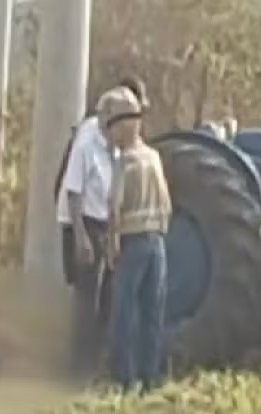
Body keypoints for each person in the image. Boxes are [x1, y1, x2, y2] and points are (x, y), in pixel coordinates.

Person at [55, 76, 150, 379]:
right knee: (87, 298)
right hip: (82, 222)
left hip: (104, 223)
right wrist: (81, 237)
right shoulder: (87, 142)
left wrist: (113, 236)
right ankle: (78, 367)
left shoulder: (118, 142)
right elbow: (73, 191)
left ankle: (97, 362)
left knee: (108, 295)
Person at [100, 86, 172, 393]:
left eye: (109, 127)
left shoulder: (125, 162)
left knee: (124, 312)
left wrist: (112, 244)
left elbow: (114, 208)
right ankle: (150, 376)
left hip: (131, 243)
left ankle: (124, 378)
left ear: (120, 125)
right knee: (153, 312)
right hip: (157, 242)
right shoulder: (154, 157)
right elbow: (167, 203)